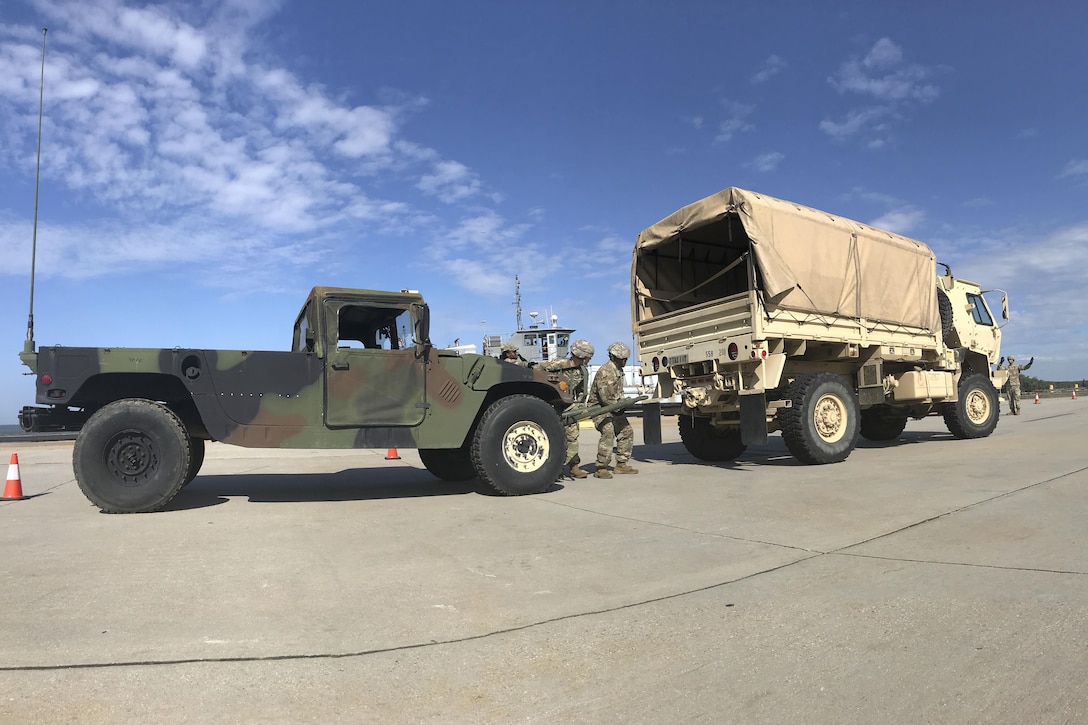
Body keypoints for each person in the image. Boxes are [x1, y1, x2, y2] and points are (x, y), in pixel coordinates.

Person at [538, 339, 595, 478]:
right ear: (582, 355)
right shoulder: (557, 365)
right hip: (551, 407)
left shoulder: (582, 371)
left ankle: (573, 467)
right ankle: (554, 469)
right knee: (553, 438)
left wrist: (580, 406)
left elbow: (581, 391)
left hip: (570, 408)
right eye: (588, 357)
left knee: (573, 437)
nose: (588, 359)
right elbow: (537, 372)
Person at [588, 341, 638, 478]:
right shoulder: (606, 372)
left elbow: (616, 396)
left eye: (625, 359)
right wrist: (620, 406)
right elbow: (606, 399)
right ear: (614, 358)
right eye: (622, 359)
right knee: (608, 431)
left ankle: (621, 464)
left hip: (613, 407)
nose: (625, 362)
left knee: (626, 431)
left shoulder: (618, 371)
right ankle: (601, 467)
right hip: (599, 408)